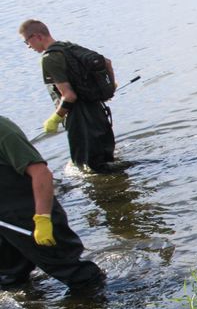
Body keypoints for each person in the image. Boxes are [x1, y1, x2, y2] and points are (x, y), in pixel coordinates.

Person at [0, 115, 105, 292]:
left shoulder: (3, 131)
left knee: (75, 273)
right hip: (5, 224)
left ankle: (107, 303)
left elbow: (41, 174)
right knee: (10, 278)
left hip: (30, 217)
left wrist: (42, 219)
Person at [19, 20, 118, 173]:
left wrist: (55, 118)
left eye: (27, 41)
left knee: (86, 169)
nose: (28, 46)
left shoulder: (49, 59)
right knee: (106, 163)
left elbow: (69, 96)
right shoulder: (69, 47)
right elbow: (107, 63)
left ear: (37, 36)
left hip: (80, 120)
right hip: (98, 112)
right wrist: (108, 88)